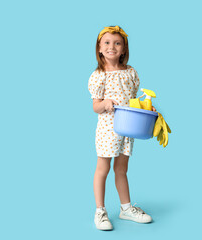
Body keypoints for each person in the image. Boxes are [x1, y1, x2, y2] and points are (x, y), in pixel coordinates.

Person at [88, 26, 155, 231]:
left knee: (121, 169)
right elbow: (95, 106)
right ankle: (100, 210)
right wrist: (105, 104)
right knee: (103, 169)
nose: (112, 47)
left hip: (128, 129)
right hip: (108, 130)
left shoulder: (130, 72)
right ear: (99, 48)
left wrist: (146, 107)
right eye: (107, 43)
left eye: (117, 43)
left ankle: (125, 208)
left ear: (124, 49)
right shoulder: (99, 75)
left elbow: (133, 100)